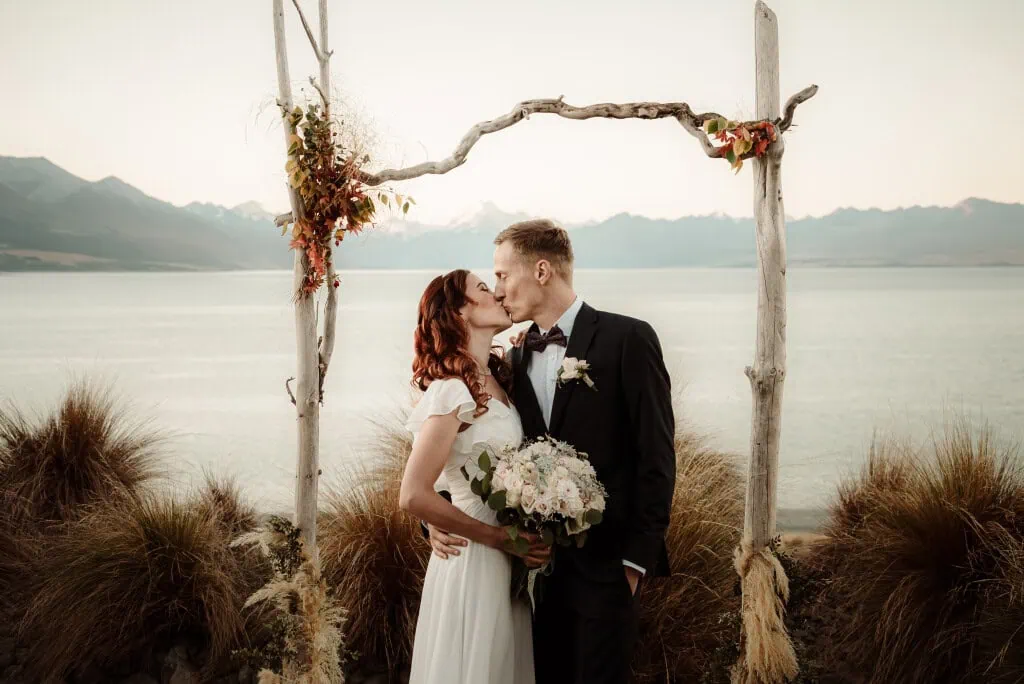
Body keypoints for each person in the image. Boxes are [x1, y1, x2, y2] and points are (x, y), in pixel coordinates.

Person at [427, 219, 677, 684]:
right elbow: (464, 454)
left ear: (541, 270)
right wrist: (434, 521)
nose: (498, 291)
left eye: (502, 275)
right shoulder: (513, 359)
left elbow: (656, 458)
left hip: (606, 573)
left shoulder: (628, 339)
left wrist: (634, 564)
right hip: (529, 581)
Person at [399, 269, 550, 684]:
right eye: (484, 288)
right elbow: (413, 494)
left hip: (508, 563)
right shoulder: (450, 391)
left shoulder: (500, 381)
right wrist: (500, 539)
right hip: (474, 558)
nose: (498, 292)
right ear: (461, 313)